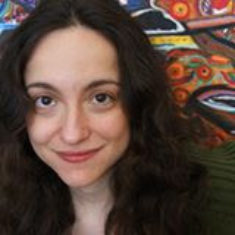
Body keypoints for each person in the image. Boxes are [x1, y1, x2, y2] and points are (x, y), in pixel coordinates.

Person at [0, 0, 206, 234]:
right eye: (45, 100)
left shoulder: (218, 206)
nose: (73, 134)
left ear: (139, 100)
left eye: (101, 98)